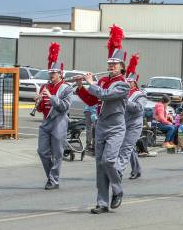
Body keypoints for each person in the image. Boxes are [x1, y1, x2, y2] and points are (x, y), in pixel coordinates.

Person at [76, 26, 130, 214]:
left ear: (122, 66)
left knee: (108, 161)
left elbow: (105, 95)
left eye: (114, 64)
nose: (110, 67)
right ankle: (102, 203)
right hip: (101, 125)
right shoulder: (104, 81)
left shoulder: (124, 84)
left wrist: (91, 83)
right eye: (109, 64)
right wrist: (81, 86)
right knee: (100, 165)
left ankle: (117, 189)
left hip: (115, 127)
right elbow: (92, 100)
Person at [35, 43, 73, 190]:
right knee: (42, 151)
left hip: (59, 122)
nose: (51, 75)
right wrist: (38, 102)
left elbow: (64, 107)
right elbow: (41, 109)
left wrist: (51, 96)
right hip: (46, 122)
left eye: (54, 73)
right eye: (50, 73)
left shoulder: (66, 88)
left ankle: (53, 179)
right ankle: (51, 176)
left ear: (60, 74)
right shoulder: (45, 86)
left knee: (57, 153)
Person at [121, 53, 145, 179]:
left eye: (130, 82)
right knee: (127, 147)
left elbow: (139, 108)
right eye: (126, 81)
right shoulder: (123, 92)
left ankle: (119, 171)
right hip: (122, 122)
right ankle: (137, 169)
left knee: (126, 147)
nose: (127, 83)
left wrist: (125, 101)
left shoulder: (139, 94)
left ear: (134, 83)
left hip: (134, 124)